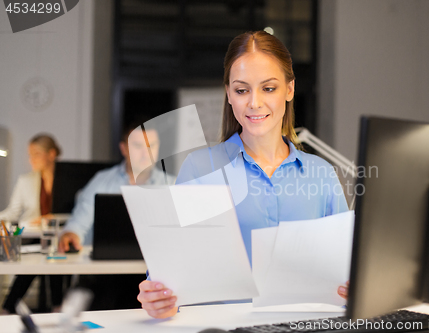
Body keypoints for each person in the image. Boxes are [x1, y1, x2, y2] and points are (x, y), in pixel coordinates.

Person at [137, 31, 350, 319]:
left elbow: (343, 268)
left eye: (269, 88)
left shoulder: (321, 174)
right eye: (241, 90)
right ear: (228, 94)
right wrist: (158, 296)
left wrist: (352, 286)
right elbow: (169, 271)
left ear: (289, 90)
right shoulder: (201, 168)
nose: (254, 102)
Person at [57, 118, 171, 310]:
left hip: (155, 276)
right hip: (104, 277)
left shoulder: (173, 185)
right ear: (124, 148)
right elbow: (79, 221)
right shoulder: (102, 181)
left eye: (151, 146)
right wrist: (71, 234)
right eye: (138, 146)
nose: (146, 153)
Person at [1, 134, 64, 314]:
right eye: (30, 154)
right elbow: (12, 212)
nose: (31, 159)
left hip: (59, 237)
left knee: (55, 255)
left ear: (51, 154)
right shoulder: (25, 180)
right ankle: (9, 307)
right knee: (35, 261)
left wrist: (55, 218)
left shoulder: (66, 180)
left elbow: (77, 212)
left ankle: (56, 307)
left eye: (36, 154)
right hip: (32, 236)